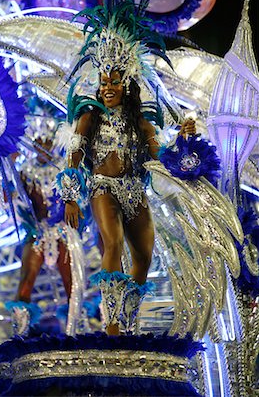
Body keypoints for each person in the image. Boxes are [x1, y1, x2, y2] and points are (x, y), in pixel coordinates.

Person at [57, 69, 196, 336]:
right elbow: (73, 156)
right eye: (104, 83)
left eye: (115, 82)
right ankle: (112, 328)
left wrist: (182, 139)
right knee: (113, 243)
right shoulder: (88, 119)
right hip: (102, 188)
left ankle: (128, 323)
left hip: (134, 190)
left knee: (143, 257)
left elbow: (163, 159)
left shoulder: (141, 124)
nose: (108, 88)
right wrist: (70, 198)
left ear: (127, 86)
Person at [5, 125, 74, 337]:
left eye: (47, 143)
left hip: (62, 234)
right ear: (33, 145)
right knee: (26, 282)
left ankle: (76, 334)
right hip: (37, 233)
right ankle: (20, 334)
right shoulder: (25, 171)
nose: (43, 148)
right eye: (38, 144)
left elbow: (76, 201)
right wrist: (11, 165)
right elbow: (9, 197)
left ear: (53, 144)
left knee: (72, 287)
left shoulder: (64, 169)